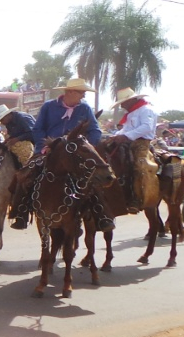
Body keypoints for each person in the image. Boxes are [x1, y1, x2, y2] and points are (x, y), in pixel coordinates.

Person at [8, 78, 110, 230]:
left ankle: (101, 215)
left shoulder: (85, 109)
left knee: (93, 178)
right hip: (48, 150)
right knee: (24, 175)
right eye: (81, 92)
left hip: (74, 152)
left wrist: (88, 147)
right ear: (70, 92)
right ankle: (21, 213)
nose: (83, 96)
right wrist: (43, 146)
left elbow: (95, 130)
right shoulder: (49, 106)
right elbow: (38, 129)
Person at [109, 87, 159, 213]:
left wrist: (125, 136)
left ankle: (136, 198)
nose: (123, 105)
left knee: (138, 167)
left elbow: (146, 127)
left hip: (141, 144)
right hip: (127, 142)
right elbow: (125, 129)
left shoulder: (146, 110)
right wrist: (115, 136)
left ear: (133, 100)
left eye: (124, 102)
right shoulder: (131, 113)